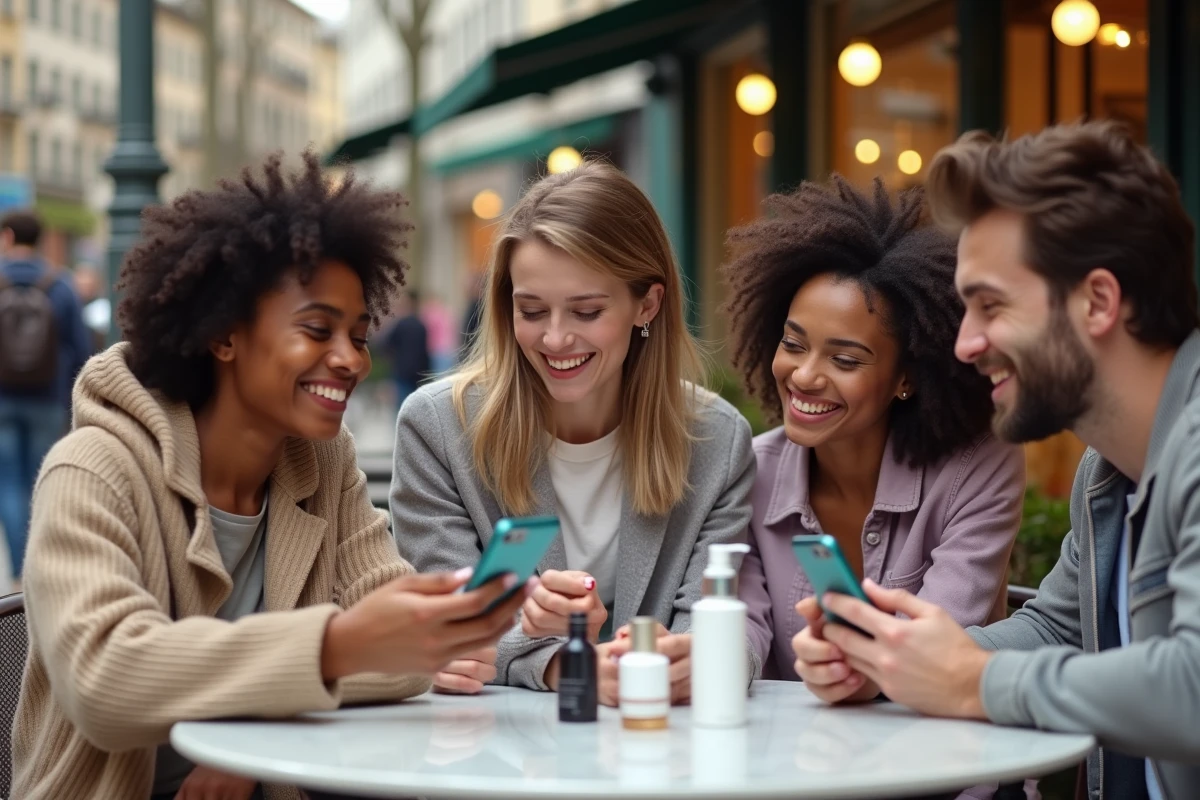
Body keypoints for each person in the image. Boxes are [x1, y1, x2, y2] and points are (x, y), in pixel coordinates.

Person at [12, 152, 529, 800]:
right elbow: (106, 680)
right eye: (317, 330)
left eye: (360, 335)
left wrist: (255, 718)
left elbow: (404, 657)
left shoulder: (321, 462)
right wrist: (337, 647)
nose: (348, 360)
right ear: (224, 335)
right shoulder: (94, 469)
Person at [790, 120, 1200, 800]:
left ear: (1097, 300)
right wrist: (896, 665)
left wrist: (973, 681)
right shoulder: (1108, 476)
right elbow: (1057, 626)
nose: (965, 343)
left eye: (989, 306)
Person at [391, 161, 755, 705]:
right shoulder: (439, 428)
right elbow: (449, 632)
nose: (556, 339)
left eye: (586, 311)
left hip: (659, 756)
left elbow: (716, 618)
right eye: (531, 310)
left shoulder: (716, 441)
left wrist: (698, 658)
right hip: (499, 762)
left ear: (647, 305)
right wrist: (563, 663)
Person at [722, 175, 1025, 683]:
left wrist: (858, 673)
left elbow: (941, 639)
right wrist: (702, 658)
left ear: (907, 378)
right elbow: (744, 627)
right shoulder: (749, 471)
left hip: (940, 752)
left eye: (844, 358)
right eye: (793, 344)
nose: (804, 375)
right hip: (787, 754)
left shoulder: (977, 468)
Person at [0, 210, 92, 587]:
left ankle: (21, 571)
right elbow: (81, 347)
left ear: (7, 236)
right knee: (42, 479)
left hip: (2, 398)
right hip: (47, 398)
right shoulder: (61, 284)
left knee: (8, 482)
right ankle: (39, 562)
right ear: (39, 239)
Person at [377, 289, 431, 411]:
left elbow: (386, 344)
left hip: (402, 371)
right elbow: (425, 352)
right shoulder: (421, 325)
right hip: (417, 373)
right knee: (414, 404)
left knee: (402, 405)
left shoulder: (400, 324)